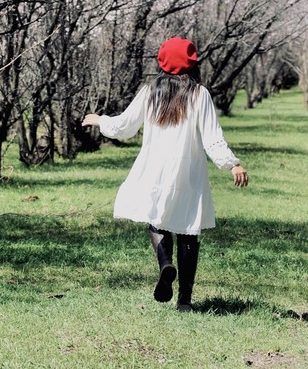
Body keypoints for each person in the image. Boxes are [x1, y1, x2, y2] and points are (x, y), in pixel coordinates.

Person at [82, 37, 249, 311]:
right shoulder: (199, 94)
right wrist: (232, 164)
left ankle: (165, 263)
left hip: (154, 167)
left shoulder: (151, 91)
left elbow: (125, 126)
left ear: (162, 62)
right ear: (192, 63)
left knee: (156, 219)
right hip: (188, 170)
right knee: (188, 231)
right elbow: (212, 139)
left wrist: (101, 120)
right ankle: (184, 300)